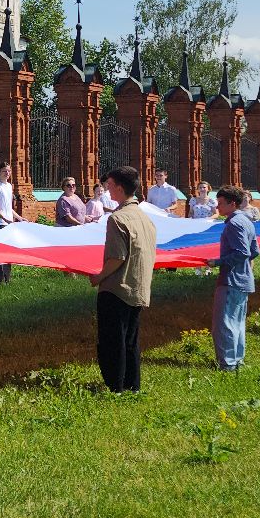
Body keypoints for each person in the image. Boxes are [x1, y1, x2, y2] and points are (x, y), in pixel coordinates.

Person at [89, 166, 155, 393]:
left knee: (112, 340)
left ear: (118, 187)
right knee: (131, 340)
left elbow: (117, 257)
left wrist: (98, 277)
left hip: (117, 289)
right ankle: (132, 385)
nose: (107, 189)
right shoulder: (145, 218)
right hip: (138, 287)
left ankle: (116, 386)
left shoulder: (117, 218)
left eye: (109, 185)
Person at [211, 185, 260, 371]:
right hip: (243, 279)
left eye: (221, 203)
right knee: (237, 322)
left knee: (224, 324)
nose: (217, 207)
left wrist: (217, 262)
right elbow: (254, 251)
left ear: (232, 203)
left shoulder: (234, 223)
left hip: (231, 280)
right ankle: (236, 360)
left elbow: (242, 252)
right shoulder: (247, 221)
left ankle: (227, 364)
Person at [0, 164, 22, 283]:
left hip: (8, 222)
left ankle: (7, 279)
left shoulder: (9, 186)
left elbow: (8, 207)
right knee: (0, 252)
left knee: (8, 251)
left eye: (8, 171)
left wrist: (19, 217)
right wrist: (5, 219)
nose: (7, 173)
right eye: (4, 171)